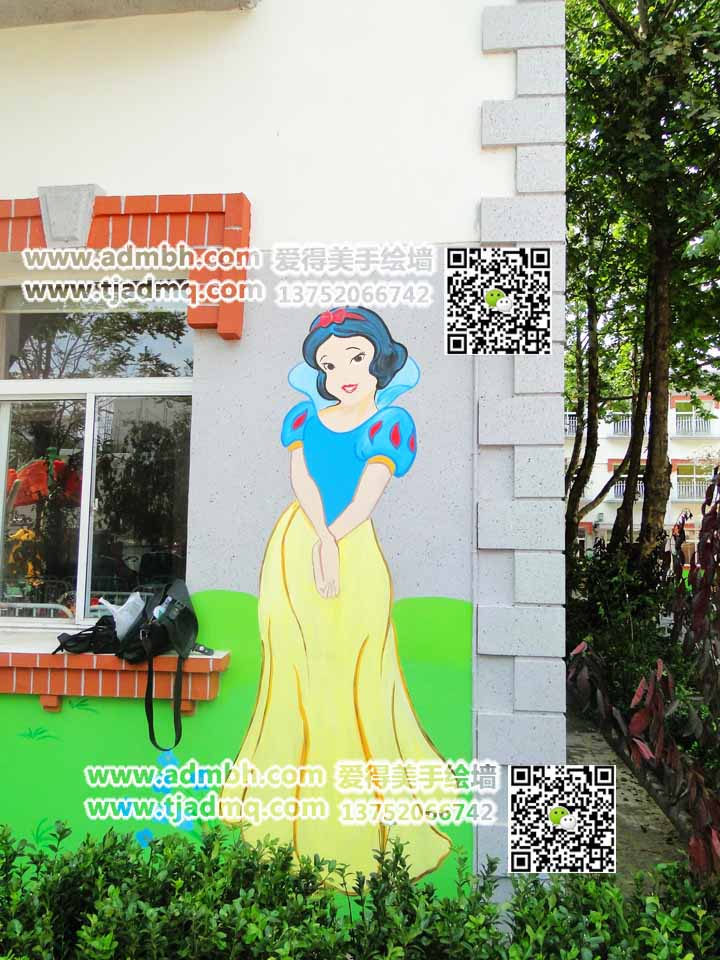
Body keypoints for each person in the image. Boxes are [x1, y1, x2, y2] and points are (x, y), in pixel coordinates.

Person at [220, 306, 457, 885]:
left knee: (356, 674)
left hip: (354, 551)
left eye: (355, 356)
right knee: (293, 671)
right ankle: (284, 805)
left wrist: (334, 538)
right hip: (296, 547)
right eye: (329, 364)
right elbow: (301, 478)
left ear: (380, 360)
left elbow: (369, 493)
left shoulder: (390, 423)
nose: (342, 372)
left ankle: (361, 814)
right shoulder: (304, 417)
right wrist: (319, 537)